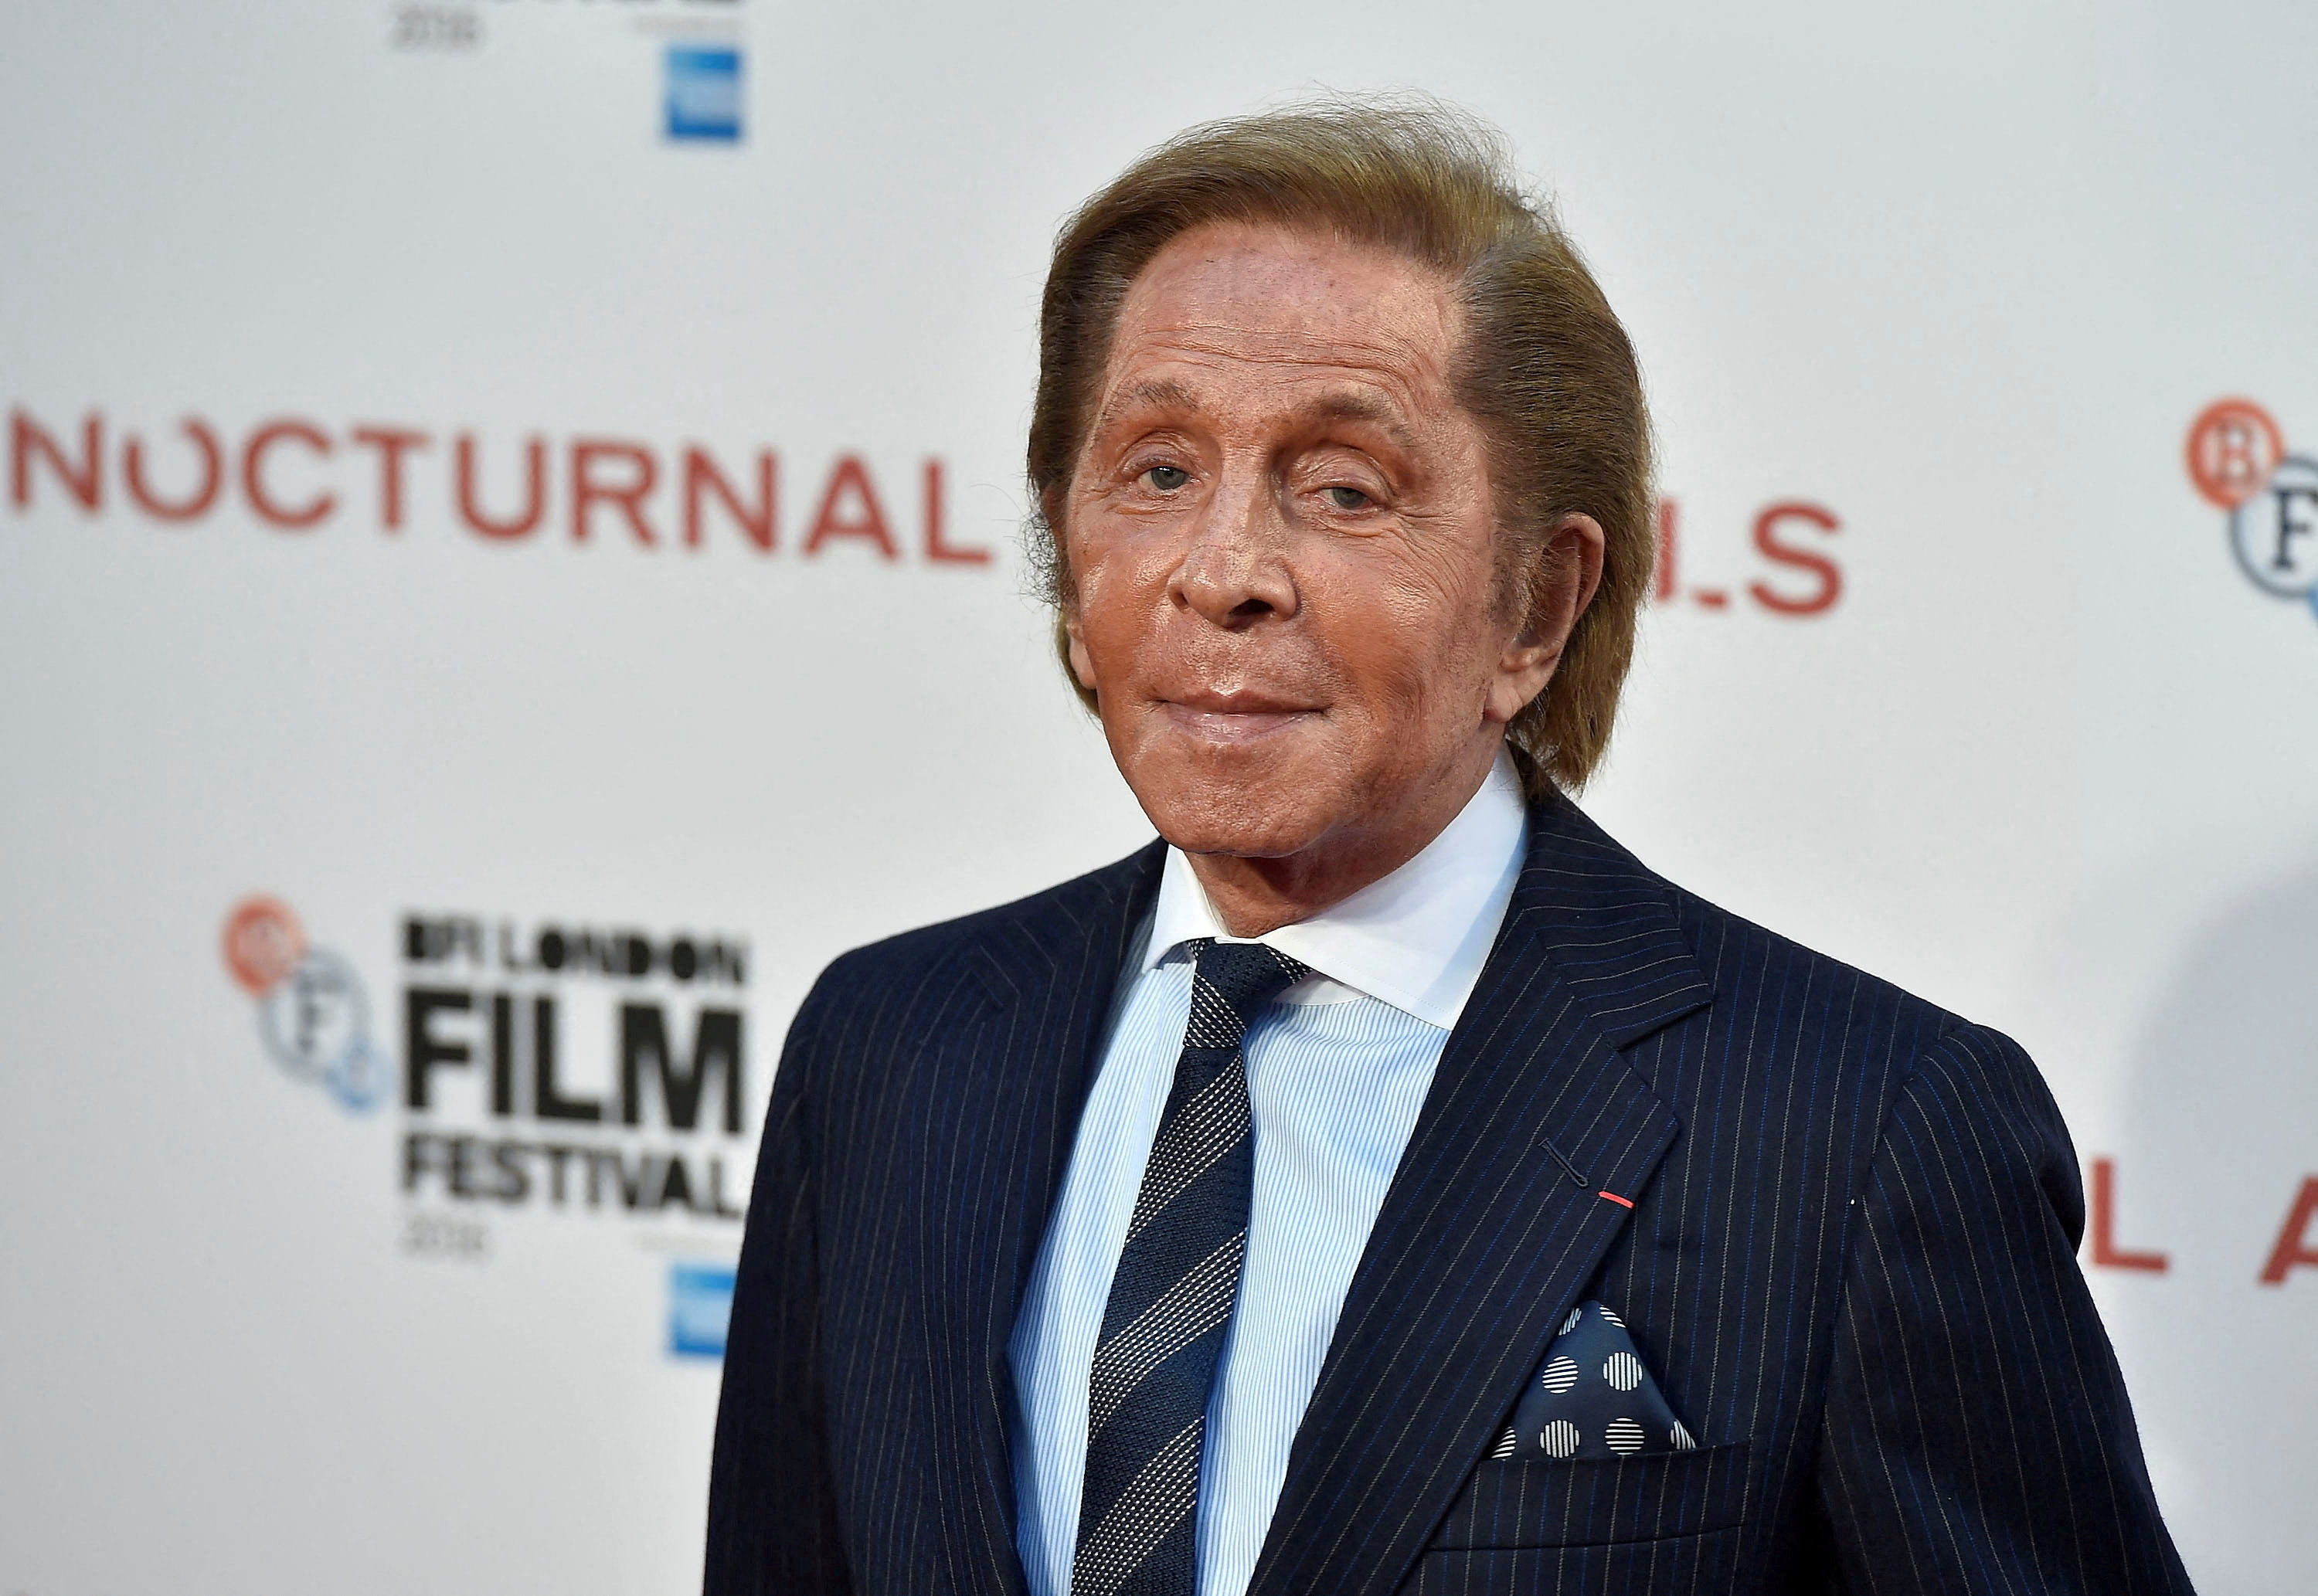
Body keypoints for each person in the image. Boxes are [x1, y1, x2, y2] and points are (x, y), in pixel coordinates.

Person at [705, 100, 2191, 1596]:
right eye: (1157, 472)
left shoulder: (1858, 1129)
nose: (1224, 571)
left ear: (1537, 607)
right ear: (1064, 538)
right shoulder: (895, 1045)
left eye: (1344, 488)